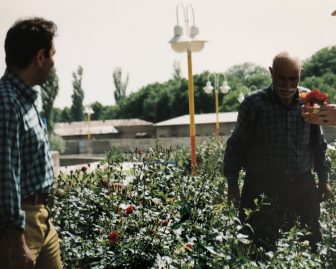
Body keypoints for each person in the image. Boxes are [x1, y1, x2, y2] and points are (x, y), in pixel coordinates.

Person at [223, 51, 333, 250]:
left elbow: (319, 145)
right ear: (271, 73)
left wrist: (324, 180)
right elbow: (236, 145)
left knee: (309, 244)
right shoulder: (254, 103)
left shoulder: (308, 101)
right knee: (258, 247)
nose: (288, 85)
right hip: (261, 187)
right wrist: (232, 183)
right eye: (282, 78)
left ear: (300, 74)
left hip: (301, 186)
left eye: (294, 78)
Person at [0, 18, 62, 268]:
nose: (53, 63)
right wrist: (16, 241)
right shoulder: (7, 102)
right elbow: (6, 175)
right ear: (40, 56)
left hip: (42, 220)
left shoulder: (25, 100)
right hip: (20, 227)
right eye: (52, 54)